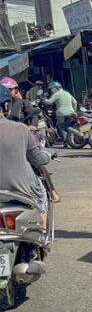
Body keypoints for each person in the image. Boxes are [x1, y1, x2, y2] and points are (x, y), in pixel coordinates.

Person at [0, 87, 50, 218]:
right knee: (43, 194)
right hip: (22, 191)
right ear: (6, 105)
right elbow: (38, 159)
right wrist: (48, 155)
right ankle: (43, 234)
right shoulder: (21, 129)